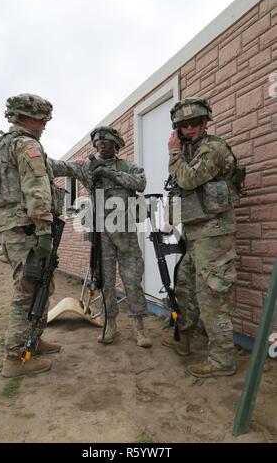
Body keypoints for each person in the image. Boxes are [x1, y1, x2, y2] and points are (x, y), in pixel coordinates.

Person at [0, 93, 65, 378]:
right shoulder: (27, 144)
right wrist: (43, 230)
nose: (44, 126)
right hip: (27, 227)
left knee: (39, 283)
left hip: (10, 226)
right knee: (28, 290)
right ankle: (15, 358)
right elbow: (36, 189)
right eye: (42, 120)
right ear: (28, 118)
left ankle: (34, 340)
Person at [49, 126, 152, 348]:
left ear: (116, 144)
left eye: (105, 141)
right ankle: (110, 324)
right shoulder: (88, 168)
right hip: (102, 236)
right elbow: (63, 167)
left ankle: (139, 327)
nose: (100, 145)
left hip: (126, 235)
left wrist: (109, 173)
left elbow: (141, 183)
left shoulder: (129, 166)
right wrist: (36, 158)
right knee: (105, 283)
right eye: (97, 142)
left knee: (133, 281)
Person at [161, 97, 238, 378]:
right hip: (195, 233)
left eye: (196, 123)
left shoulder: (212, 148)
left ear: (205, 122)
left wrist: (172, 152)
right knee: (185, 287)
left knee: (213, 294)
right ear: (177, 127)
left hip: (215, 233)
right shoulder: (188, 150)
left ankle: (221, 360)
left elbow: (187, 180)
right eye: (184, 124)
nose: (190, 128)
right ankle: (183, 340)